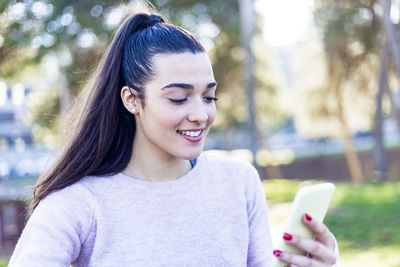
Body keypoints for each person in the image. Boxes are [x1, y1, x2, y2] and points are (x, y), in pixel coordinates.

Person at [9, 13, 337, 267]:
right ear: (132, 100)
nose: (200, 114)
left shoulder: (239, 183)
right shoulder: (77, 204)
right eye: (179, 98)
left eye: (209, 97)